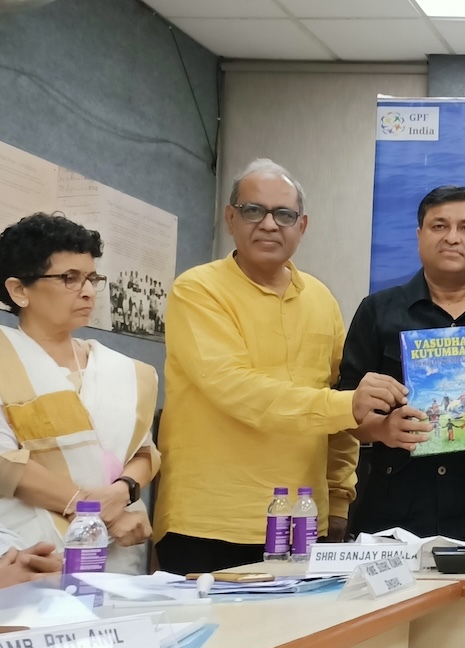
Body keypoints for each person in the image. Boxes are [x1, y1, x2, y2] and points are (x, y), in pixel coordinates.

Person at [155, 160, 406, 574]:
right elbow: (234, 387)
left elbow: (336, 398)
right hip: (213, 520)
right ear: (230, 217)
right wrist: (347, 405)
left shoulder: (321, 299)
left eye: (283, 215)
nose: (269, 224)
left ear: (302, 226)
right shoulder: (198, 290)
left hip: (305, 520)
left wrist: (339, 496)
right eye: (254, 210)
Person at [339, 186, 465, 545]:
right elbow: (344, 405)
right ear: (419, 235)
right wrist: (383, 428)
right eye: (438, 226)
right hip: (395, 510)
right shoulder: (378, 310)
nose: (452, 237)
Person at [0, 213, 156, 573]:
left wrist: (123, 492)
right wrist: (96, 510)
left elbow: (145, 451)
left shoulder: (124, 370)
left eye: (91, 278)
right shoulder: (5, 358)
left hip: (117, 554)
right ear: (19, 290)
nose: (87, 291)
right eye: (69, 278)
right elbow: (5, 462)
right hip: (30, 554)